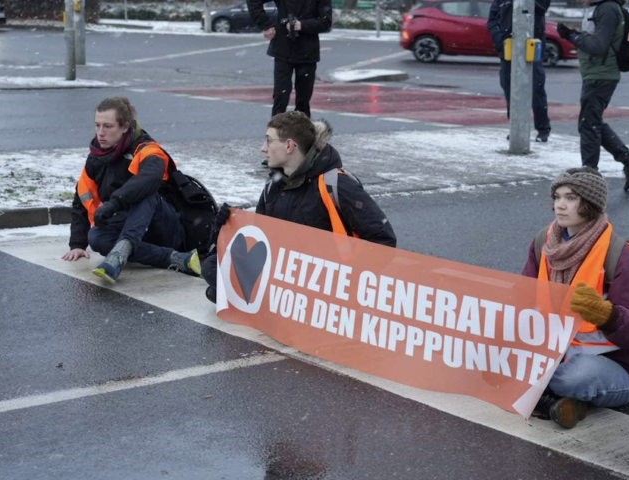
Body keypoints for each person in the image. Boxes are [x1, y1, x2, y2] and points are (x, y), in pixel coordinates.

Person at [202, 111, 397, 302]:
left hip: (325, 283)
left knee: (222, 289)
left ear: (289, 146)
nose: (263, 148)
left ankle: (268, 302)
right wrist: (230, 225)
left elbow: (383, 238)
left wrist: (348, 282)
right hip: (285, 276)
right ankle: (267, 300)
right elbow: (262, 237)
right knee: (213, 266)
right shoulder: (274, 186)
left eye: (269, 141)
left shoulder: (336, 184)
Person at [523, 167, 629, 429]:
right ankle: (563, 402)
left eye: (571, 198)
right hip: (554, 354)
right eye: (557, 197)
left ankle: (548, 393)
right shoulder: (543, 243)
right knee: (499, 358)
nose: (560, 205)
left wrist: (608, 315)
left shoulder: (619, 254)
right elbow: (525, 298)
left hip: (610, 366)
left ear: (590, 204)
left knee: (574, 376)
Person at [62, 97, 201, 284]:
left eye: (108, 126)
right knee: (96, 237)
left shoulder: (148, 150)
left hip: (163, 228)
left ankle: (121, 252)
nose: (100, 133)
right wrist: (78, 244)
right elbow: (83, 196)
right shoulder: (96, 158)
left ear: (125, 127)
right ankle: (173, 258)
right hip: (128, 227)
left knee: (146, 192)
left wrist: (114, 203)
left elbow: (150, 178)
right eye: (97, 125)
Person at [557, 0, 629, 190]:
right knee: (591, 121)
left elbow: (598, 46)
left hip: (601, 74)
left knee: (589, 124)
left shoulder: (607, 9)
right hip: (598, 73)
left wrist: (572, 35)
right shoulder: (603, 8)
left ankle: (590, 177)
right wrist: (576, 35)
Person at [248, 0, 332, 119]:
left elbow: (326, 22)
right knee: (281, 96)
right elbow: (254, 2)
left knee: (303, 99)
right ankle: (277, 128)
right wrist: (265, 25)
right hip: (283, 48)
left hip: (307, 52)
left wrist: (302, 25)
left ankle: (301, 129)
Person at [487, 0, 552, 143]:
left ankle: (543, 129)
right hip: (508, 50)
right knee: (510, 89)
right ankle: (515, 127)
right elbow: (492, 20)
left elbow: (542, 7)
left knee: (536, 89)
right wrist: (500, 39)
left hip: (530, 49)